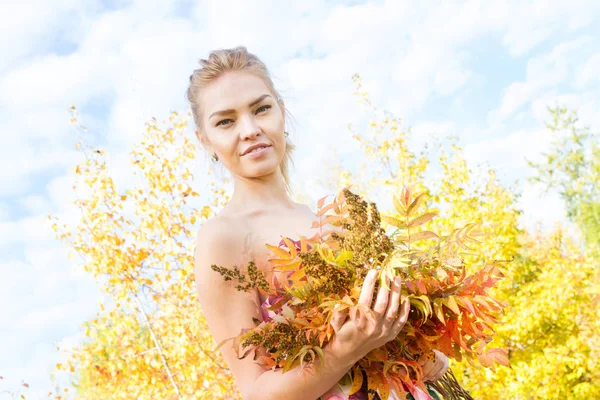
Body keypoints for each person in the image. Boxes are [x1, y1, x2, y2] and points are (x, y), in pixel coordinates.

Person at [186, 46, 449, 400]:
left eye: (261, 109)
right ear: (206, 140)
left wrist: (419, 351)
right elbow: (257, 392)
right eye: (225, 121)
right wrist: (344, 350)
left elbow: (379, 331)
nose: (249, 130)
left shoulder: (327, 220)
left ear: (282, 111)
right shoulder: (224, 237)